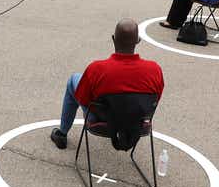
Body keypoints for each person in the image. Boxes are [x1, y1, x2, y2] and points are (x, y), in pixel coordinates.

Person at [50, 19, 164, 149]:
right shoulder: (154, 70)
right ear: (138, 41)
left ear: (114, 39)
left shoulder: (97, 69)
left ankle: (62, 134)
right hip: (138, 122)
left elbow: (84, 99)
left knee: (74, 80)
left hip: (100, 122)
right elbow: (156, 99)